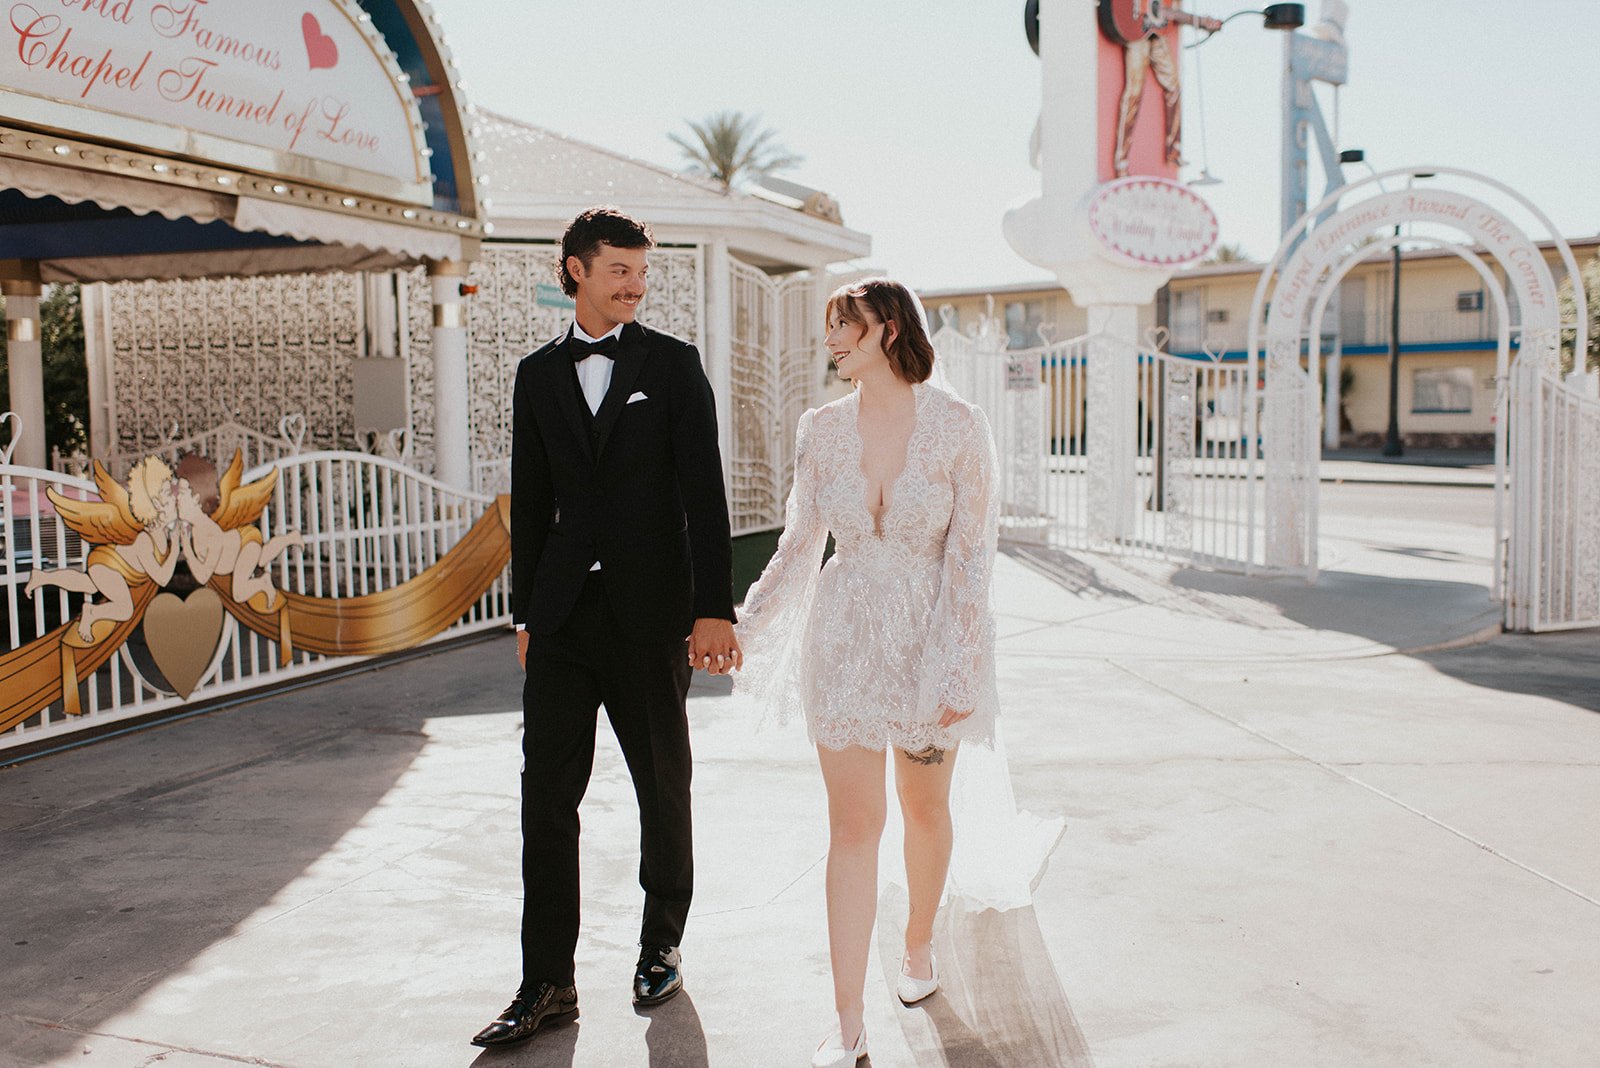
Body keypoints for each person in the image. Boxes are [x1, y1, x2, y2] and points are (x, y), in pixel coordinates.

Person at [472, 206, 741, 1049]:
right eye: (618, 269)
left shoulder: (673, 366)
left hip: (650, 616)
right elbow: (532, 498)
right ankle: (546, 980)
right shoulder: (536, 375)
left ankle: (661, 943)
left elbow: (704, 494)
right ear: (575, 271)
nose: (634, 283)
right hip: (560, 622)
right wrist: (525, 612)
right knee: (546, 801)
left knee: (662, 785)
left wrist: (711, 609)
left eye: (640, 271)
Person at [733, 277, 1000, 1067]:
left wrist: (959, 668)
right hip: (844, 642)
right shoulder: (820, 428)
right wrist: (745, 624)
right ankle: (847, 1021)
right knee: (852, 828)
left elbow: (972, 556)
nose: (830, 340)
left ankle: (917, 946)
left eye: (841, 325)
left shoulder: (958, 426)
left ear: (888, 328)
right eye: (827, 328)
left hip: (929, 644)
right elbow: (797, 545)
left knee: (924, 810)